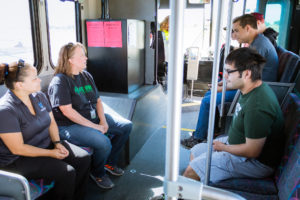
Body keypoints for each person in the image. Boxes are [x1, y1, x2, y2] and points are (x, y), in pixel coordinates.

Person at [183, 47, 284, 183]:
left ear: (247, 74)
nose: (225, 76)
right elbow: (233, 83)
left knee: (192, 170)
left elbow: (252, 151)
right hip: (237, 145)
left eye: (229, 72)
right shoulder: (250, 87)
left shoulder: (258, 105)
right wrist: (225, 85)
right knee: (196, 151)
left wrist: (224, 148)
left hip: (255, 162)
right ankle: (202, 189)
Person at [181, 14, 279, 149]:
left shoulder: (259, 46)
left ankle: (199, 138)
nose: (234, 34)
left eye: (236, 30)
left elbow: (246, 78)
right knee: (210, 95)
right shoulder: (256, 43)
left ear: (248, 28)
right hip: (250, 86)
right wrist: (223, 84)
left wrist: (222, 88)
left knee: (208, 100)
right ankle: (208, 131)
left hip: (254, 91)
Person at [0, 60, 91, 200]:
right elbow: (18, 148)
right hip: (18, 159)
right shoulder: (6, 110)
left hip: (44, 145)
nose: (39, 80)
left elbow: (52, 123)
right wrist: (51, 153)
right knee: (67, 172)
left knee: (83, 158)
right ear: (20, 85)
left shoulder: (39, 96)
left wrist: (57, 143)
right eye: (35, 78)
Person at [48, 42, 132, 189]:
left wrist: (103, 121)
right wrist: (96, 127)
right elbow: (68, 111)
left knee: (125, 126)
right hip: (69, 125)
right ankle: (98, 173)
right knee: (103, 142)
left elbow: (98, 101)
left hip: (91, 119)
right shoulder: (60, 81)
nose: (86, 58)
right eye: (81, 55)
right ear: (70, 60)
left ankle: (109, 163)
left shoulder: (86, 76)